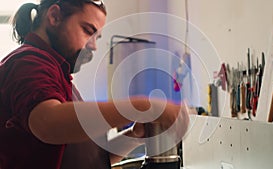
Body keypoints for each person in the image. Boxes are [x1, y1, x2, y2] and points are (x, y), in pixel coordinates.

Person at [0, 0, 191, 169]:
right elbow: (46, 123)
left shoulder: (58, 73)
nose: (93, 46)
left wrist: (134, 135)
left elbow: (91, 159)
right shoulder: (29, 61)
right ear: (55, 16)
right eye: (87, 30)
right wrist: (141, 106)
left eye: (96, 37)